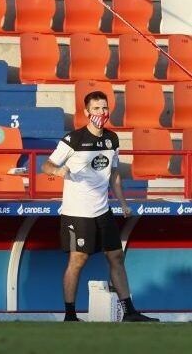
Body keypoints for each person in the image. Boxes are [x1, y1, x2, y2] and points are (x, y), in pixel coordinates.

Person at [42, 91, 158, 322]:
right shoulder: (72, 139)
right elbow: (47, 165)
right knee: (78, 259)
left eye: (104, 108)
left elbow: (113, 174)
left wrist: (123, 204)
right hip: (77, 213)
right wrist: (57, 171)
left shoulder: (112, 139)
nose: (101, 113)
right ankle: (70, 315)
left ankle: (130, 312)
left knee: (116, 256)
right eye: (96, 109)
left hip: (103, 211)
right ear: (86, 112)